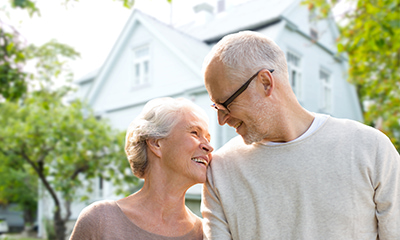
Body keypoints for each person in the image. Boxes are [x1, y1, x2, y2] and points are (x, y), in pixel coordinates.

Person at [201, 31, 400, 239]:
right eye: (216, 107)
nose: (222, 120)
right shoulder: (220, 171)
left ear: (265, 83)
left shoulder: (370, 148)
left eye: (226, 104)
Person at [70, 97, 213, 240]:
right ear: (156, 143)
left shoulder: (204, 233)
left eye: (208, 138)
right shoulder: (100, 220)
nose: (209, 147)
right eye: (195, 133)